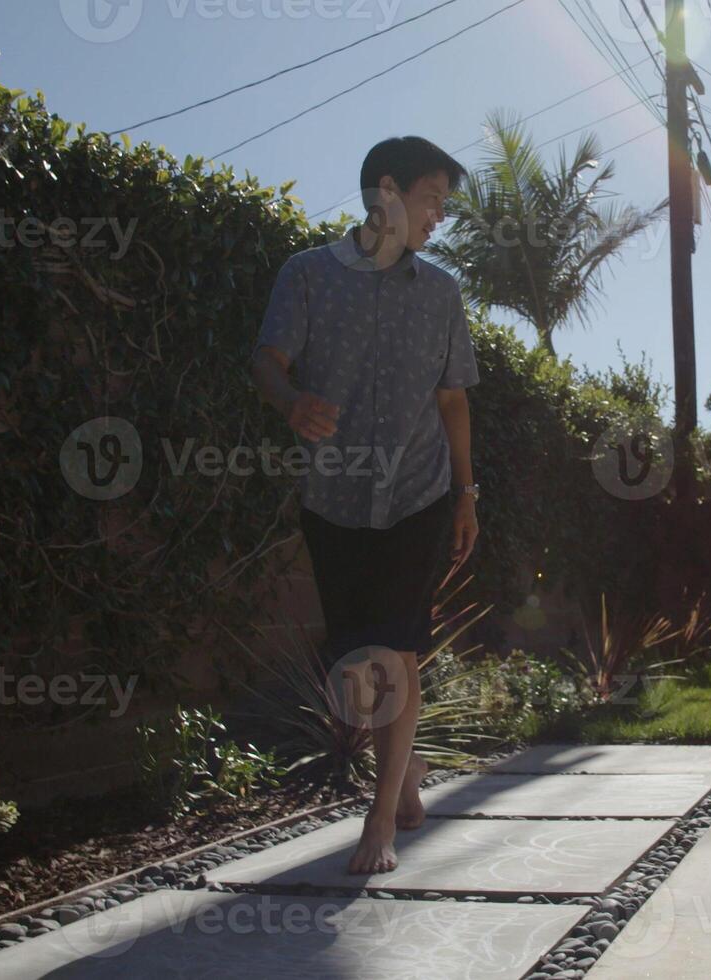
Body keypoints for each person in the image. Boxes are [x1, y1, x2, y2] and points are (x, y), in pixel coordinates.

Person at [249, 136, 480, 874]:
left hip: (420, 491)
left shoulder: (442, 292)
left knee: (398, 646)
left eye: (445, 204)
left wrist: (467, 493)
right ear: (388, 190)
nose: (440, 216)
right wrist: (290, 403)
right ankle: (404, 774)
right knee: (357, 667)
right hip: (334, 493)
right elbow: (267, 360)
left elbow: (454, 400)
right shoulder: (308, 274)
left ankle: (378, 821)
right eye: (432, 200)